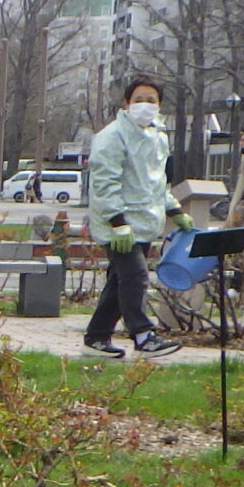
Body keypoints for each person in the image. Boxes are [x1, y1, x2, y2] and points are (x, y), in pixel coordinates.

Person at [80, 78, 187, 359]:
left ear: (160, 105)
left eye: (152, 100)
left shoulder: (157, 138)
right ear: (126, 103)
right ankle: (143, 335)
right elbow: (104, 184)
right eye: (139, 99)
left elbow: (156, 184)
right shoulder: (112, 136)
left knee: (120, 282)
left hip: (144, 223)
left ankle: (97, 337)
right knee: (136, 278)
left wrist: (175, 211)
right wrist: (118, 222)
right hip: (119, 226)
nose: (145, 105)